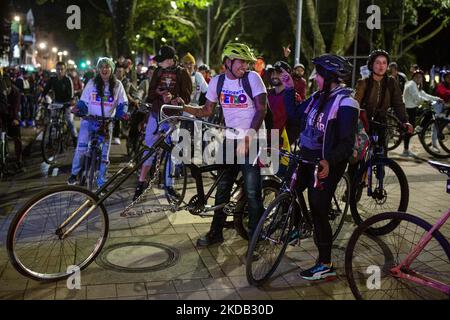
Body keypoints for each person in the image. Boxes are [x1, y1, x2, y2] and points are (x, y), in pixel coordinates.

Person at [279, 54, 359, 280]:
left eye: (319, 74)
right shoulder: (316, 97)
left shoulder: (346, 102)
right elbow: (294, 114)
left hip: (327, 163)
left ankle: (325, 263)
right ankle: (299, 226)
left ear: (331, 76)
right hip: (305, 157)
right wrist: (288, 88)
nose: (315, 78)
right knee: (290, 188)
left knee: (318, 207)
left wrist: (328, 161)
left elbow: (346, 143)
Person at [182, 42, 267, 249]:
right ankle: (215, 233)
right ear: (228, 62)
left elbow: (261, 109)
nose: (245, 66)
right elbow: (207, 110)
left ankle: (256, 240)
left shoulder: (252, 78)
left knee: (253, 192)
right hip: (230, 139)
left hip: (253, 139)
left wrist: (248, 137)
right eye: (241, 62)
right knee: (222, 188)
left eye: (247, 62)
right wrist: (182, 108)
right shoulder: (217, 82)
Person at [133, 45, 192, 201]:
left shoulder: (182, 73)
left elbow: (187, 97)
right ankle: (140, 183)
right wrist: (158, 94)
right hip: (156, 115)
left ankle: (169, 184)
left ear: (171, 60)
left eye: (162, 60)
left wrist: (174, 98)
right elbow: (151, 93)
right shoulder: (158, 72)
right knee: (149, 148)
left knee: (172, 152)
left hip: (172, 119)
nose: (159, 63)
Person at [67, 57, 128, 187]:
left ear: (112, 69)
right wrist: (78, 108)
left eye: (107, 67)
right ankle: (74, 174)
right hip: (89, 120)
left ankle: (101, 182)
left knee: (105, 156)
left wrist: (121, 113)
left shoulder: (118, 85)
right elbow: (84, 101)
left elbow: (123, 103)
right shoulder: (92, 83)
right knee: (81, 148)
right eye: (101, 67)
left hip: (106, 123)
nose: (104, 69)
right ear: (98, 69)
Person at [354, 50, 413, 152]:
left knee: (382, 154)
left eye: (384, 62)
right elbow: (355, 103)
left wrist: (404, 121)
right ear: (371, 65)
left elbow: (398, 103)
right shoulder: (364, 82)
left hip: (381, 122)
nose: (381, 66)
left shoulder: (391, 82)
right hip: (364, 123)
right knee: (358, 156)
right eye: (377, 62)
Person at [402, 69, 443, 155]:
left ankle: (419, 127)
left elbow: (424, 95)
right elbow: (417, 98)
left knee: (428, 112)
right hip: (409, 109)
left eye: (420, 77)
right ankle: (405, 150)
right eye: (417, 77)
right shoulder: (411, 84)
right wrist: (427, 102)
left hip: (414, 107)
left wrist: (437, 99)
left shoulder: (416, 85)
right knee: (409, 130)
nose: (419, 78)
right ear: (413, 77)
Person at [40, 61, 78, 147]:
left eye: (61, 69)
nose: (59, 71)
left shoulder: (68, 79)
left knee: (69, 120)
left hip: (67, 102)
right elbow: (46, 89)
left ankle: (75, 138)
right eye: (58, 69)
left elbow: (71, 94)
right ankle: (51, 140)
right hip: (57, 102)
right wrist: (42, 97)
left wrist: (71, 101)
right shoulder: (52, 79)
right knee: (53, 120)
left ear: (65, 70)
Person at [0, 76, 24, 171]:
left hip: (12, 114)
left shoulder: (16, 92)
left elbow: (16, 108)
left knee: (17, 137)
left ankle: (19, 160)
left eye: (6, 91)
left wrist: (15, 119)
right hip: (2, 112)